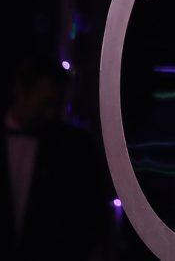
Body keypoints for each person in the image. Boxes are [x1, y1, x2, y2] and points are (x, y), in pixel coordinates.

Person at [1, 57, 110, 261]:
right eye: (45, 103)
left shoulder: (75, 148)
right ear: (20, 90)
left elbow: (88, 217)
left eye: (56, 105)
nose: (51, 114)